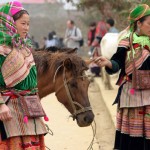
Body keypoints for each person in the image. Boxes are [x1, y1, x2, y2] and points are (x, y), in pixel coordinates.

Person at [94, 4, 150, 150]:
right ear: (139, 23)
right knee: (133, 140)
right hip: (132, 95)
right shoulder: (126, 41)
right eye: (149, 23)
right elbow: (118, 63)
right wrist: (109, 63)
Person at [0, 1, 48, 149]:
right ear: (9, 22)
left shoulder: (25, 48)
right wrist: (1, 105)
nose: (26, 28)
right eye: (23, 23)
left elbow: (32, 81)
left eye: (28, 24)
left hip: (29, 111)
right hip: (9, 112)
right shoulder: (1, 50)